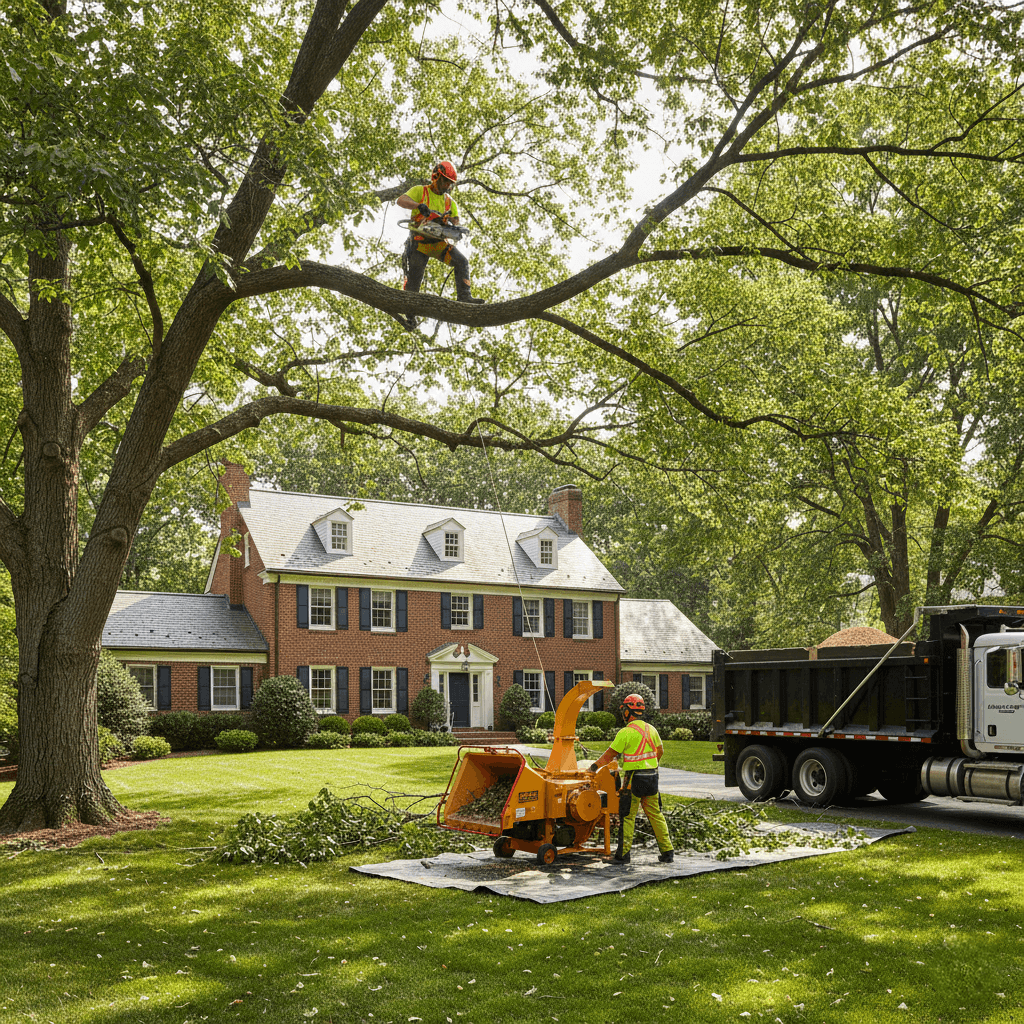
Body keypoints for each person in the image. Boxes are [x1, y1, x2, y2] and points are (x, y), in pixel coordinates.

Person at [395, 160, 484, 327]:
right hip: (419, 242)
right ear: (436, 177)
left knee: (462, 262)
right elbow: (401, 200)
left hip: (438, 244)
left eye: (450, 183)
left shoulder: (449, 202)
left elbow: (456, 223)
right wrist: (418, 206)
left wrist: (451, 225)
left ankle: (464, 297)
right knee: (414, 281)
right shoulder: (420, 191)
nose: (447, 186)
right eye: (445, 181)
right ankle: (410, 315)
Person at [592, 693, 675, 864]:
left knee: (628, 816)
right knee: (656, 814)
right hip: (652, 777)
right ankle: (668, 853)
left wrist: (592, 768)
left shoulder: (625, 732)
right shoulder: (652, 730)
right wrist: (650, 765)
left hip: (633, 780)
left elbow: (609, 756)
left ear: (628, 711)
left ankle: (623, 856)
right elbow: (660, 752)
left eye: (623, 710)